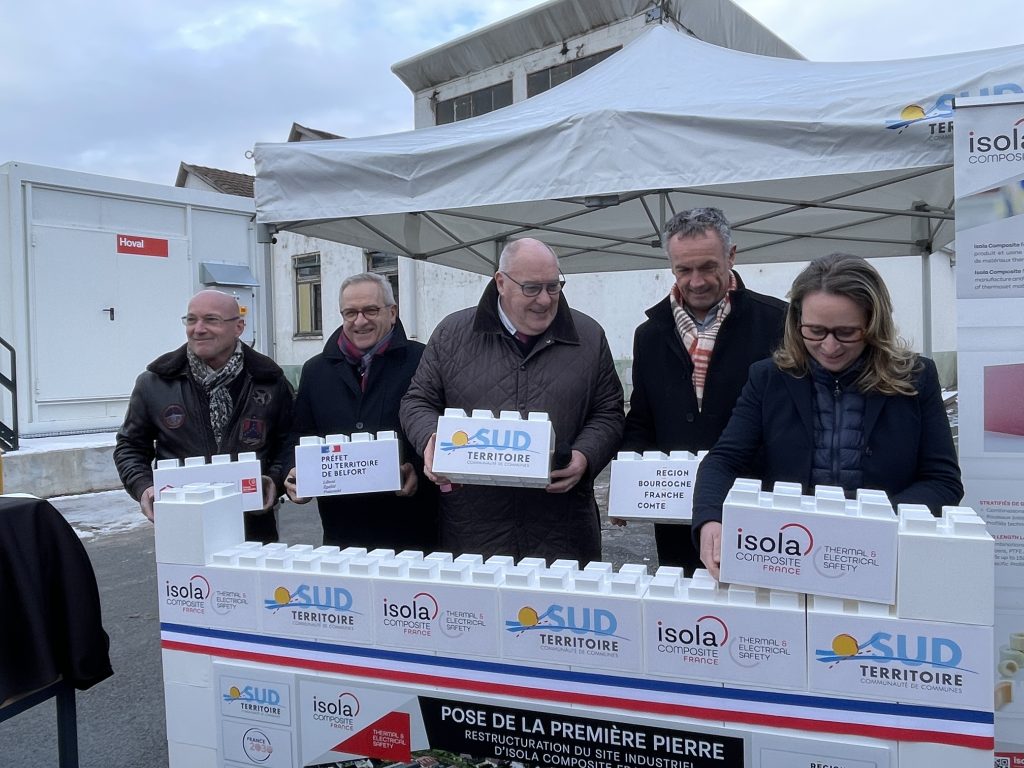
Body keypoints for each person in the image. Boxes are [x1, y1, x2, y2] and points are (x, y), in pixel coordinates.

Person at [691, 253, 963, 579]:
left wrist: (874, 524)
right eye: (815, 331)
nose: (830, 347)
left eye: (847, 332)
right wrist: (710, 518)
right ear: (797, 323)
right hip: (788, 556)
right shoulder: (768, 379)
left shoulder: (916, 378)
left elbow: (942, 481)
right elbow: (723, 461)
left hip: (887, 560)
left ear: (875, 324)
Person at [399, 237, 624, 563]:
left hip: (563, 530)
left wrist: (585, 457)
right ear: (501, 283)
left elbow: (609, 412)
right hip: (474, 529)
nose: (545, 300)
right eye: (531, 288)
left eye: (553, 286)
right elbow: (417, 401)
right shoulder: (452, 334)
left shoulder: (589, 336)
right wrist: (430, 439)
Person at [622, 207, 785, 574]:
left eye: (708, 267)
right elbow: (642, 418)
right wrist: (626, 482)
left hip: (756, 510)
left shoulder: (779, 323)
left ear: (731, 256)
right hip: (675, 513)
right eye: (683, 269)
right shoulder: (649, 335)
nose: (695, 281)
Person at [114, 289, 294, 543]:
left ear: (239, 327)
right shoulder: (154, 383)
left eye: (211, 319)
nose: (198, 329)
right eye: (191, 319)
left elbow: (288, 442)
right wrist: (144, 487)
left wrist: (273, 481)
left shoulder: (269, 381)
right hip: (182, 525)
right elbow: (130, 447)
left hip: (253, 526)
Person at [283, 273, 437, 550]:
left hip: (413, 530)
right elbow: (299, 433)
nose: (360, 320)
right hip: (342, 533)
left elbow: (437, 428)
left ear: (392, 313)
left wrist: (416, 470)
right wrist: (292, 474)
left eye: (370, 310)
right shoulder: (316, 371)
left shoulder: (423, 360)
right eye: (350, 312)